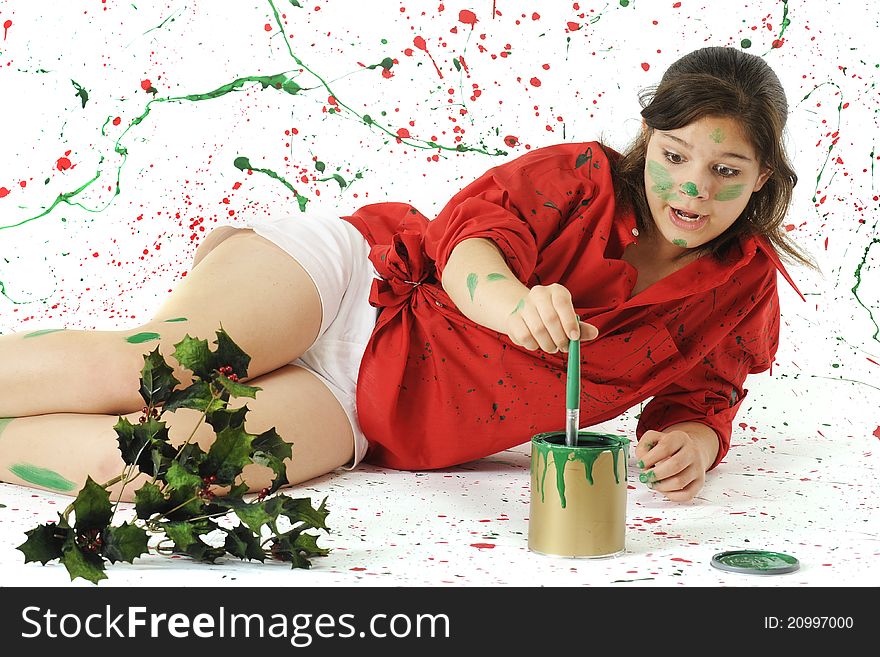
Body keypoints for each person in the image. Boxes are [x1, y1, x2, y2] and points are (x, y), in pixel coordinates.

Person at [0, 46, 816, 504]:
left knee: (158, 470)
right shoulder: (580, 177)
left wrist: (694, 442)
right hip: (359, 284)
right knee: (143, 370)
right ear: (650, 140)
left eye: (726, 172)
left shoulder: (741, 288)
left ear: (763, 180)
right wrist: (513, 305)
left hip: (372, 410)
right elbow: (469, 244)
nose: (692, 189)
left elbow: (708, 392)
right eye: (676, 157)